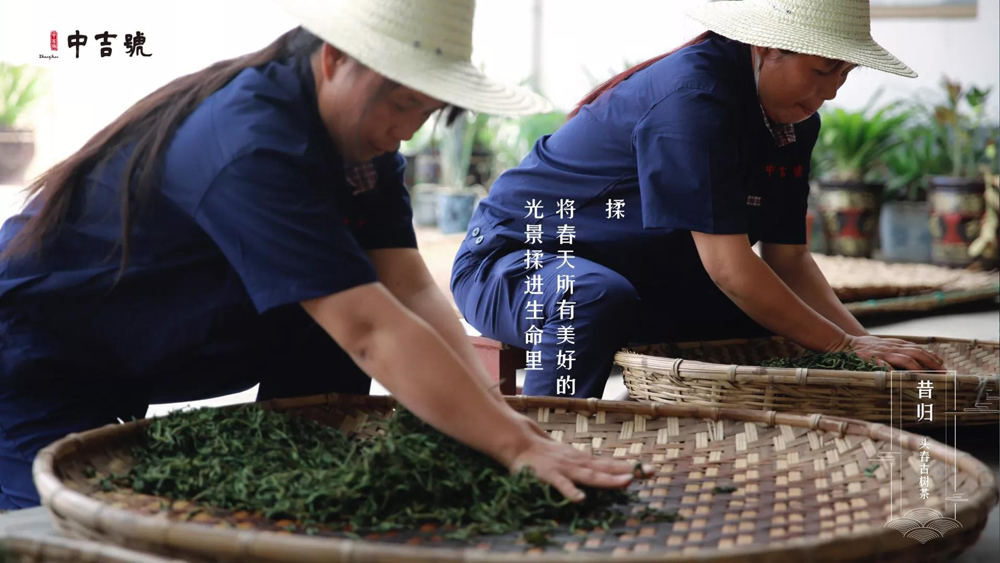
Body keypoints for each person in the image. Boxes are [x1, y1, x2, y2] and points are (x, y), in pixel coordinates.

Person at [0, 0, 651, 510]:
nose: (406, 130)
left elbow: (410, 288)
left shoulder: (363, 152)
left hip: (142, 346)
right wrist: (511, 445)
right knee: (61, 531)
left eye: (424, 111)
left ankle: (311, 468)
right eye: (400, 103)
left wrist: (493, 412)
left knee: (347, 296)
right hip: (39, 352)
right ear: (336, 59)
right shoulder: (250, 144)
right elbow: (370, 330)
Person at [451, 0, 945, 399]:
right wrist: (847, 345)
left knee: (777, 318)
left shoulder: (793, 122)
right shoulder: (694, 99)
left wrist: (869, 348)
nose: (832, 92)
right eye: (822, 70)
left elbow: (789, 260)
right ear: (767, 46)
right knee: (592, 297)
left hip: (637, 275)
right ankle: (552, 445)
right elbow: (730, 267)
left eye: (845, 74)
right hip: (521, 261)